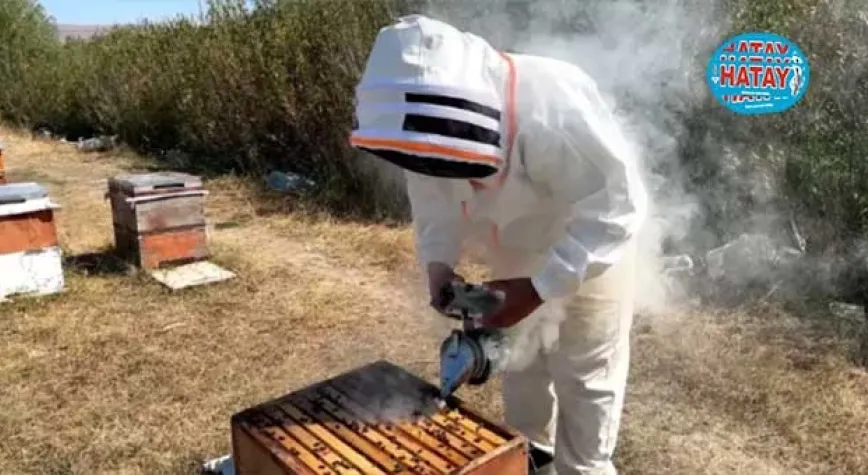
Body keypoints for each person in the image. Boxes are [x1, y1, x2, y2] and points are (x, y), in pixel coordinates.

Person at [349, 14, 648, 475]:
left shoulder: (554, 107)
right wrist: (439, 266)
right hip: (515, 251)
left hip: (589, 250)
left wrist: (540, 287)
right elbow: (433, 204)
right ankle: (533, 463)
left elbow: (617, 210)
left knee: (585, 391)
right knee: (524, 386)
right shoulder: (425, 122)